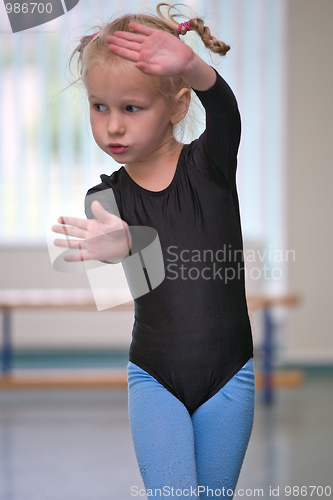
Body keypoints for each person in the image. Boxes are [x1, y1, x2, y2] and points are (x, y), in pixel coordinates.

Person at [52, 4, 255, 499]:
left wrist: (191, 65)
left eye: (131, 108)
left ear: (178, 107)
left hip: (230, 376)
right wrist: (122, 250)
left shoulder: (209, 165)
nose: (113, 127)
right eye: (100, 107)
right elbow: (128, 290)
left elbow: (225, 108)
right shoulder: (105, 199)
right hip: (155, 378)